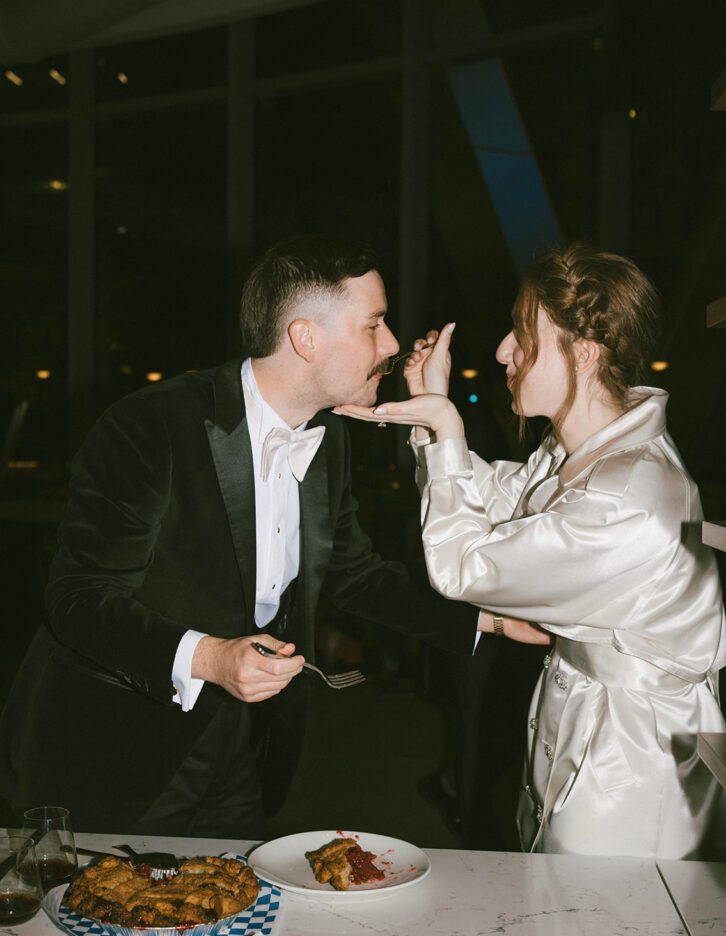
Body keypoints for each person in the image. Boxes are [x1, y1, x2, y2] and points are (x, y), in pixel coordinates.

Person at [0, 235, 535, 840]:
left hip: (241, 746)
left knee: (237, 894)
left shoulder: (330, 438)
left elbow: (354, 575)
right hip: (121, 747)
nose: (391, 344)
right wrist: (210, 658)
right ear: (305, 339)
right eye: (374, 324)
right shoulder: (152, 425)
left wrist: (488, 618)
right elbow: (78, 598)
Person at [336, 241, 726, 859]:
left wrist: (446, 427)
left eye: (521, 334)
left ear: (584, 352)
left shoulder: (627, 498)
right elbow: (492, 497)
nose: (502, 352)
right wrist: (431, 417)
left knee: (599, 914)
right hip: (586, 722)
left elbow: (465, 566)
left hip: (633, 766)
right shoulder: (583, 452)